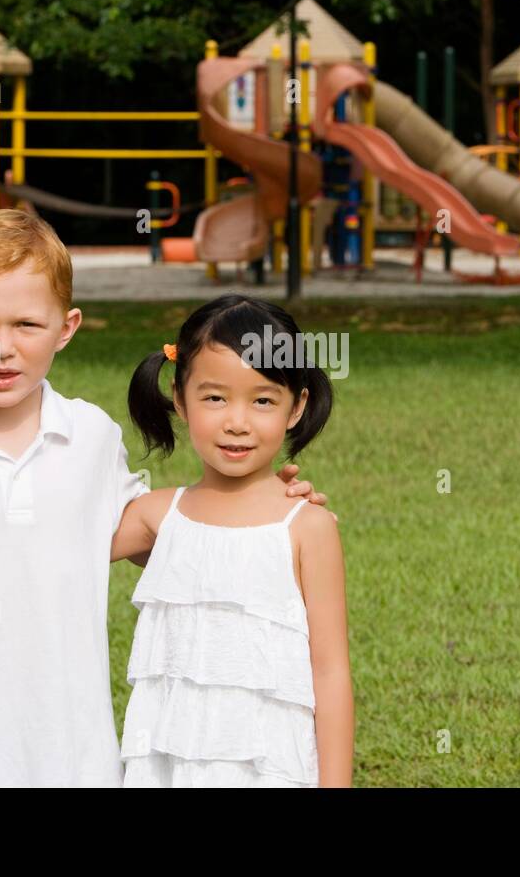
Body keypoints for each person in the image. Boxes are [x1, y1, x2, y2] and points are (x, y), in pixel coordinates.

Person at [0, 211, 325, 787]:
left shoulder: (92, 438)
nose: (2, 348)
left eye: (27, 323)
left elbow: (158, 536)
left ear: (67, 327)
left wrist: (265, 503)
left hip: (79, 765)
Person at [112, 294, 353, 786]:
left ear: (296, 407)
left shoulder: (308, 527)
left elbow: (330, 675)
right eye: (215, 397)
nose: (237, 422)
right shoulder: (156, 515)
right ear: (179, 398)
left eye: (263, 400)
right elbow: (51, 540)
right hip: (169, 764)